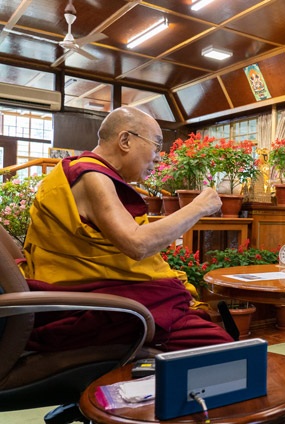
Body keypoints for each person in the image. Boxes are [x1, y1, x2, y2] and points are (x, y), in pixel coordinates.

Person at [20, 106, 234, 352]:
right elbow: (137, 244)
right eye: (156, 144)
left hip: (94, 292)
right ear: (125, 140)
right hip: (92, 305)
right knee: (219, 346)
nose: (159, 157)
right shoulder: (92, 176)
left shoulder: (88, 173)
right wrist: (198, 207)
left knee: (202, 326)